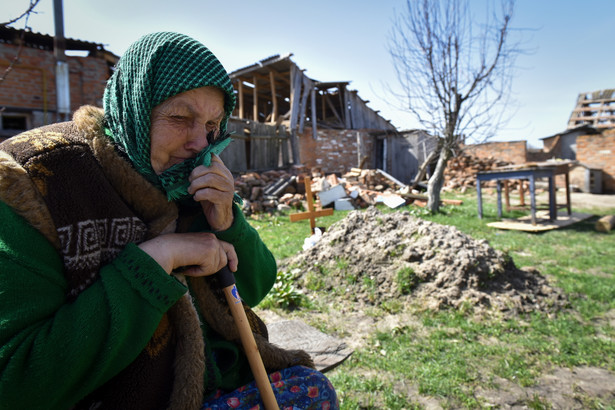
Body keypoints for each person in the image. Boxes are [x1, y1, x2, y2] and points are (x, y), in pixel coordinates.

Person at [0, 32, 338, 410]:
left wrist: (227, 221)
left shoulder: (190, 178)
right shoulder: (36, 179)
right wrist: (158, 259)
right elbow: (15, 383)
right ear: (135, 107)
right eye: (180, 117)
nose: (200, 142)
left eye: (212, 124)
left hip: (217, 379)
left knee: (312, 387)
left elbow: (254, 289)